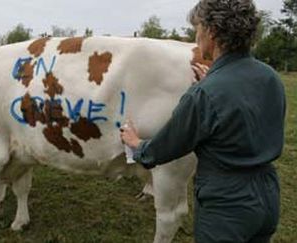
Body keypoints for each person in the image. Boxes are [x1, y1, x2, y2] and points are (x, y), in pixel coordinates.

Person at [120, 0, 286, 242]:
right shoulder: (270, 76)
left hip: (226, 206)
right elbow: (240, 106)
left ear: (212, 31)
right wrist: (214, 82)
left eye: (197, 28)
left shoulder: (205, 94)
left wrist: (136, 144)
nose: (195, 35)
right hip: (267, 196)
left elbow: (165, 147)